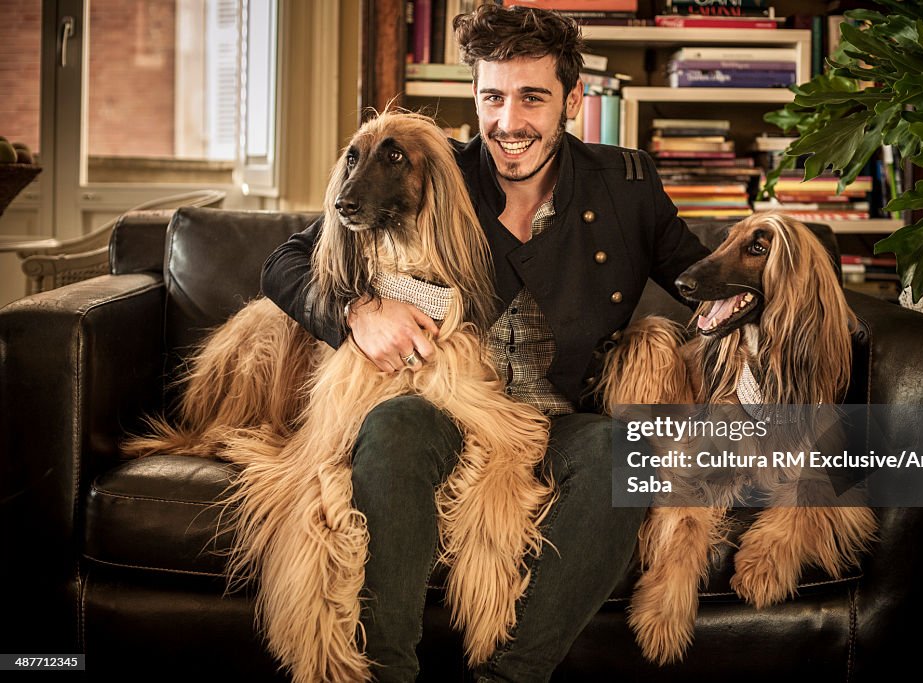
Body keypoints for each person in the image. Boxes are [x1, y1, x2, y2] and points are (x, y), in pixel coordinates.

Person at [260, 4, 709, 680]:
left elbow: (704, 284)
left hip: (558, 417)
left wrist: (790, 308)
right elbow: (284, 264)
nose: (508, 122)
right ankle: (386, 671)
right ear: (474, 95)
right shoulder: (436, 168)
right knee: (392, 425)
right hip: (450, 411)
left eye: (532, 98)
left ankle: (512, 674)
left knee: (626, 450)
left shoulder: (627, 186)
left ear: (573, 100)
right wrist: (360, 310)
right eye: (492, 97)